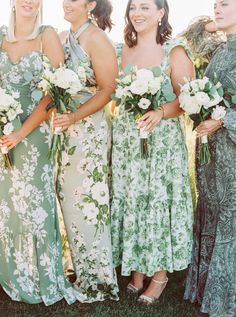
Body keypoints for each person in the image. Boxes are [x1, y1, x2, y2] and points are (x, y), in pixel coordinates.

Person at [110, 0, 195, 305]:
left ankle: (159, 275)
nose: (138, 13)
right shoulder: (120, 51)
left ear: (161, 13)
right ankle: (135, 271)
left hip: (161, 145)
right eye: (133, 7)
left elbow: (190, 99)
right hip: (127, 143)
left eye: (146, 7)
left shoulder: (174, 50)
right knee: (132, 201)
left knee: (157, 203)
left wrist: (160, 112)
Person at [0, 0, 77, 305]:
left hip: (34, 132)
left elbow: (54, 91)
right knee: (7, 205)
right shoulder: (1, 35)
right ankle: (10, 271)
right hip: (4, 131)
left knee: (34, 201)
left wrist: (21, 131)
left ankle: (39, 274)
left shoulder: (47, 35)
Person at [53, 0, 119, 303]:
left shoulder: (97, 38)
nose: (66, 3)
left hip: (88, 131)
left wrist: (75, 117)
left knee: (90, 202)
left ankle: (98, 280)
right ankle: (82, 270)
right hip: (65, 132)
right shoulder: (66, 36)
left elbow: (108, 89)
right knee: (70, 201)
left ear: (90, 4)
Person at [184, 1, 236, 316]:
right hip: (210, 150)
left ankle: (226, 296)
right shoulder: (218, 49)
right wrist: (212, 24)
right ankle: (205, 288)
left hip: (231, 145)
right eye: (215, 3)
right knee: (211, 209)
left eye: (225, 4)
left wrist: (220, 120)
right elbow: (188, 37)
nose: (217, 7)